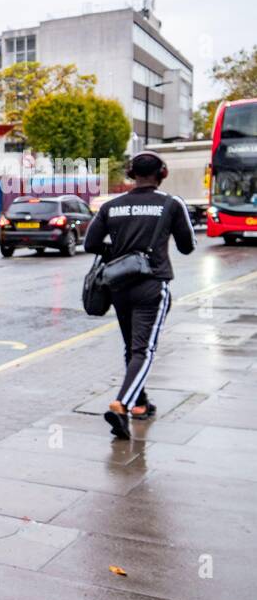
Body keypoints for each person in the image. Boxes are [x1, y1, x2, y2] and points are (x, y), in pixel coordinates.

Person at [83, 150, 195, 439]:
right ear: (163, 174)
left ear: (131, 174)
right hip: (152, 286)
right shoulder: (171, 204)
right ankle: (123, 404)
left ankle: (140, 404)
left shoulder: (111, 205)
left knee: (132, 347)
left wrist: (120, 251)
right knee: (143, 350)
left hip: (119, 286)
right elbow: (187, 246)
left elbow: (91, 243)